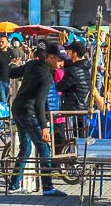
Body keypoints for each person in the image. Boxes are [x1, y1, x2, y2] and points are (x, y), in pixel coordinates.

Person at [7, 46, 67, 196]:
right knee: (44, 147)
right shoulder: (46, 76)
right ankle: (48, 187)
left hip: (17, 108)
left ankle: (14, 184)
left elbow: (12, 73)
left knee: (25, 148)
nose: (62, 64)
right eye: (60, 60)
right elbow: (40, 103)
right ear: (51, 57)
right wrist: (44, 126)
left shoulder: (32, 64)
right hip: (28, 112)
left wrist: (11, 64)